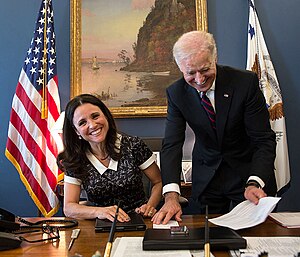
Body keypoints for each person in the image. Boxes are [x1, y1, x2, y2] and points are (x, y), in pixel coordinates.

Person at [152, 30, 277, 225]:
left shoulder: (244, 83)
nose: (200, 79)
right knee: (202, 232)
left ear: (215, 58)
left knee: (253, 236)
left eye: (204, 69)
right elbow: (172, 145)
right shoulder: (176, 93)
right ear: (180, 68)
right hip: (207, 175)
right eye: (191, 73)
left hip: (247, 171)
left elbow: (263, 139)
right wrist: (171, 196)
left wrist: (255, 182)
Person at [57, 94, 162, 222]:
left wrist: (150, 206)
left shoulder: (133, 145)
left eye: (95, 116)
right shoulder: (75, 158)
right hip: (100, 225)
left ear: (105, 116)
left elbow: (158, 182)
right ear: (77, 131)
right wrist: (100, 211)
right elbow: (69, 208)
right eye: (82, 123)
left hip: (139, 220)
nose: (92, 125)